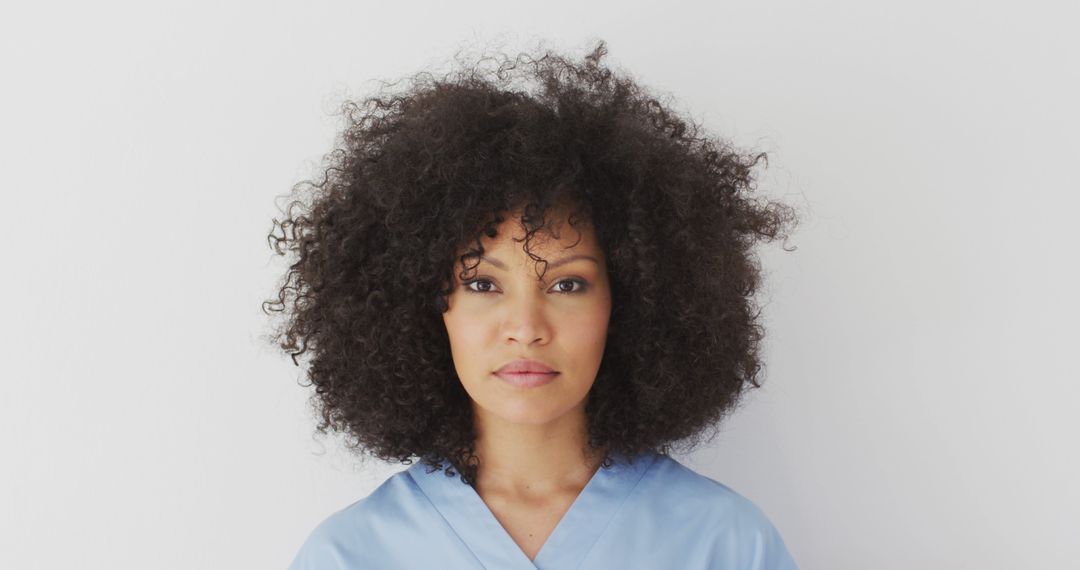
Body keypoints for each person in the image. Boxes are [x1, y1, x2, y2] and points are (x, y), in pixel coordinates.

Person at [264, 38, 800, 569]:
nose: (525, 328)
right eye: (482, 285)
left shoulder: (726, 545)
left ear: (630, 304)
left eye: (567, 285)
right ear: (426, 304)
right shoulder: (349, 555)